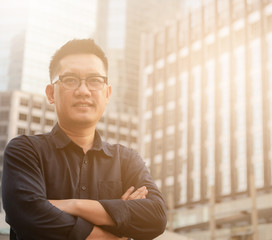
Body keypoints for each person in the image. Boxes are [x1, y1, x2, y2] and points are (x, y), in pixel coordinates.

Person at [2, 38, 167, 240]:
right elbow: (29, 215)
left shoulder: (126, 160)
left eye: (95, 80)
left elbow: (156, 217)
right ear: (51, 93)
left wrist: (71, 205)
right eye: (70, 79)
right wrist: (116, 224)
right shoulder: (25, 150)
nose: (83, 90)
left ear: (107, 94)